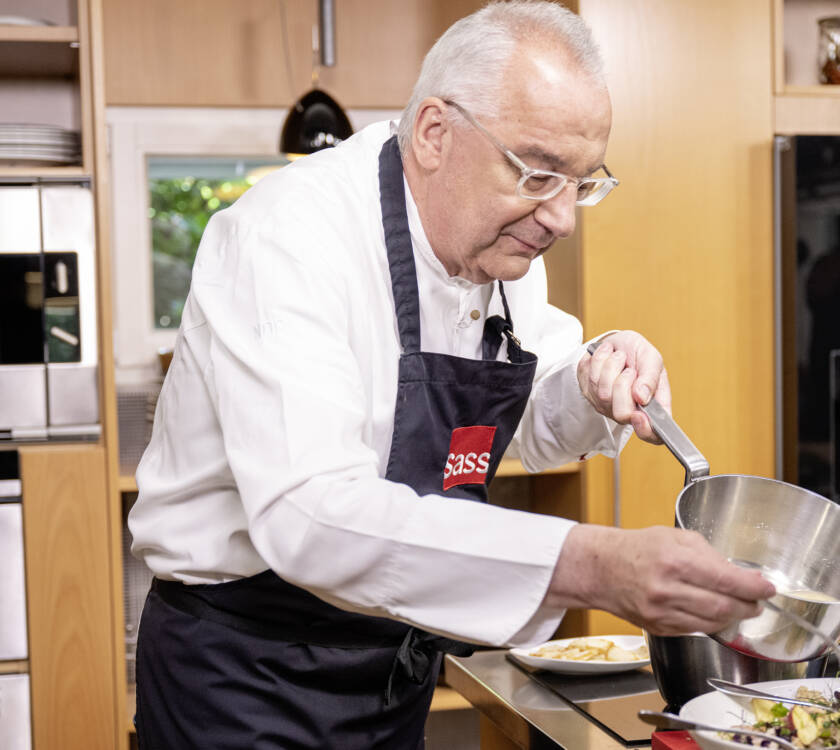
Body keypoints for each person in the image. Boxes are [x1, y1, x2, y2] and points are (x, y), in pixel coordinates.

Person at [128, 2, 775, 748]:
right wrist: (589, 564)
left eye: (582, 181)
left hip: (393, 672)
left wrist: (593, 380)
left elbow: (529, 422)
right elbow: (309, 516)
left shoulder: (496, 244)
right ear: (435, 133)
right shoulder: (288, 239)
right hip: (247, 681)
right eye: (538, 173)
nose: (562, 217)